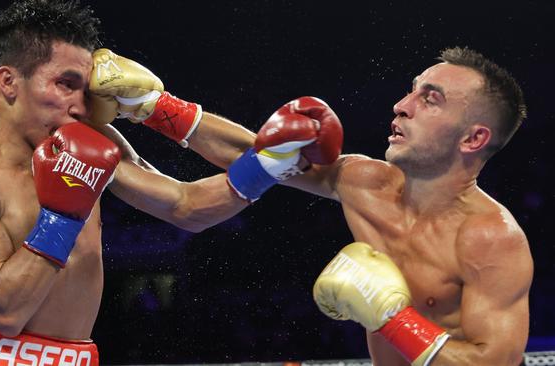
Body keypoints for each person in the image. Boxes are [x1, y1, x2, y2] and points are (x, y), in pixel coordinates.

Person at [0, 1, 341, 365]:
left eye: (86, 90)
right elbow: (5, 313)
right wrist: (63, 215)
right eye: (65, 84)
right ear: (9, 81)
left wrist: (269, 164)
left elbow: (185, 206)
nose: (80, 105)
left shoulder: (93, 142)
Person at [121, 47, 532, 365]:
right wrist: (154, 107)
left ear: (473, 140)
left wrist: (393, 320)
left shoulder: (490, 237)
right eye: (412, 89)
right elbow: (264, 155)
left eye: (431, 99)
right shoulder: (365, 182)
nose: (402, 104)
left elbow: (495, 361)